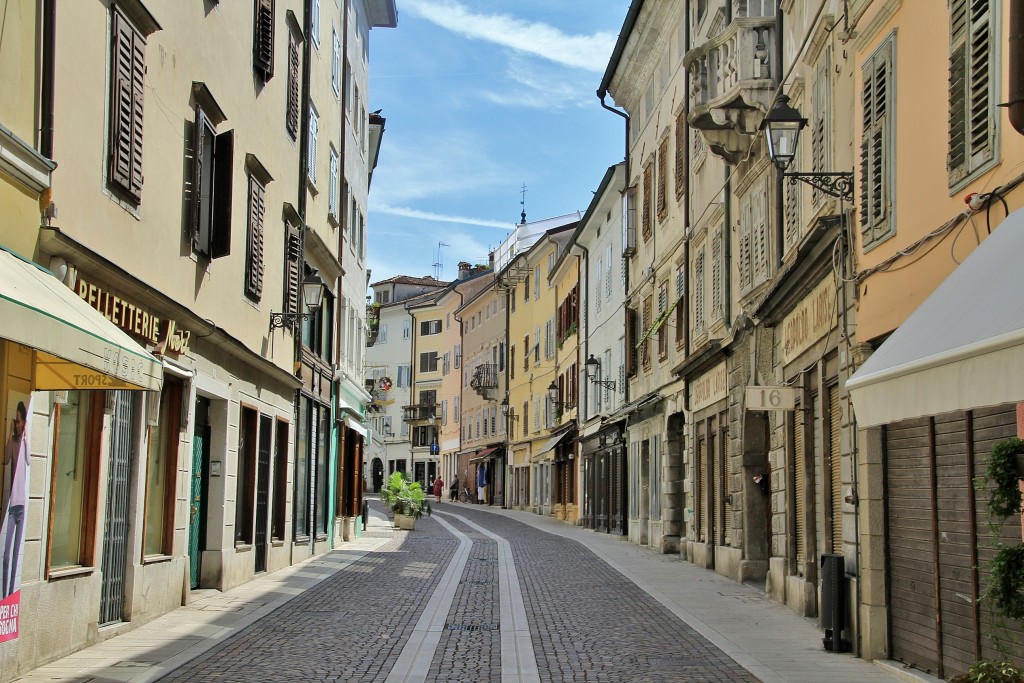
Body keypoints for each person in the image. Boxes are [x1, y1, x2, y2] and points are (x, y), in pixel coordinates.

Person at [4, 402, 28, 598]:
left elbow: (28, 459)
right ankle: (5, 595)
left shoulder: (24, 442)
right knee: (6, 556)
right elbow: (5, 460)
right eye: (17, 421)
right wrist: (9, 436)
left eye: (21, 422)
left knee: (15, 559)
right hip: (12, 507)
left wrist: (26, 438)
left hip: (23, 506)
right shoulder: (12, 442)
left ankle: (11, 594)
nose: (19, 425)